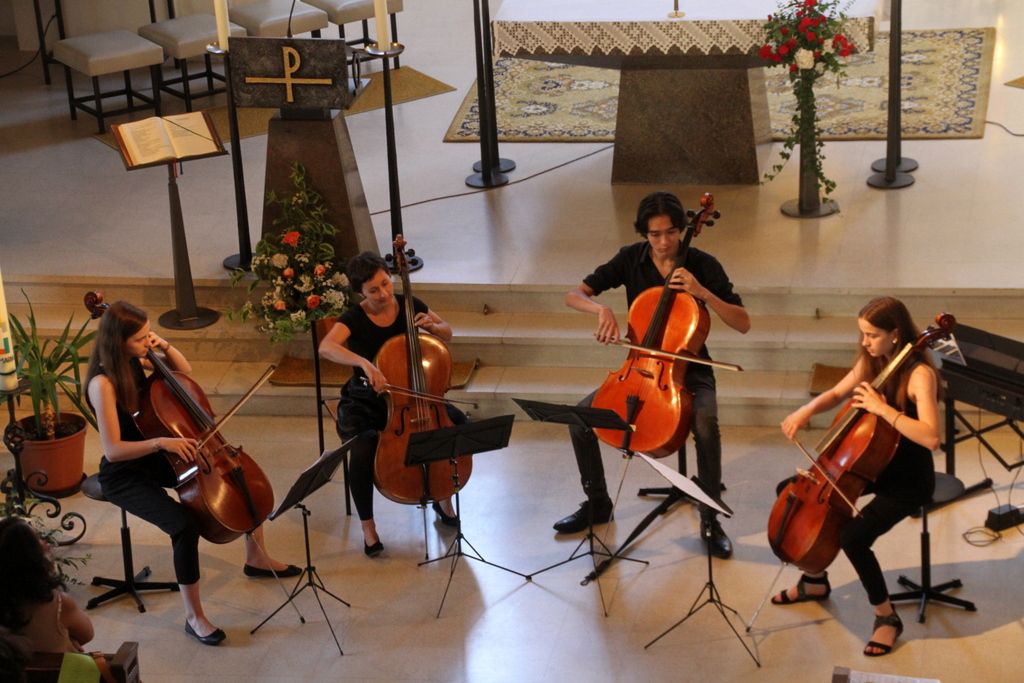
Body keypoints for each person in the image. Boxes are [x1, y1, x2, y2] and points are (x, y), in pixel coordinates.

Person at [86, 301, 300, 647]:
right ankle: (194, 617)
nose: (147, 342)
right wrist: (162, 442)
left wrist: (164, 346)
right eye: (141, 338)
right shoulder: (103, 384)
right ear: (117, 341)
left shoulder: (136, 358)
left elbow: (184, 374)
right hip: (125, 473)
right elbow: (113, 450)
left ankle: (256, 557)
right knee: (183, 525)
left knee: (237, 477)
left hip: (159, 455)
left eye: (149, 335)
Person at [556, 191, 750, 559]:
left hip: (691, 368)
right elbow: (574, 295)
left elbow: (743, 323)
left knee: (706, 424)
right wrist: (601, 310)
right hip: (640, 366)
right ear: (644, 234)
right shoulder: (631, 258)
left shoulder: (703, 264)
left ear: (682, 229)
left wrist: (702, 292)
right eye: (655, 234)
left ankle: (710, 518)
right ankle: (597, 502)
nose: (663, 243)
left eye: (671, 233)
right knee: (580, 420)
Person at [773, 296, 940, 657]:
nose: (865, 342)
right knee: (792, 491)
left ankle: (886, 617)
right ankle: (815, 580)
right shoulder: (874, 361)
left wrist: (883, 409)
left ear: (896, 334)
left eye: (872, 335)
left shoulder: (919, 376)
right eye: (862, 333)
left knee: (853, 537)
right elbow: (837, 393)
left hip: (907, 481)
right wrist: (804, 411)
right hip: (869, 466)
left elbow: (931, 437)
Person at [318, 251, 461, 557]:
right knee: (362, 447)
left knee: (456, 425)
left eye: (385, 283)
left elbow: (448, 332)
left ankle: (443, 498)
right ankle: (368, 528)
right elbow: (326, 347)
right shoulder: (354, 318)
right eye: (373, 290)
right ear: (361, 293)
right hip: (368, 400)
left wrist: (435, 328)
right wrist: (364, 363)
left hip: (414, 395)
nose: (383, 293)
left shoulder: (410, 303)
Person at [0, 517, 94, 654]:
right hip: (57, 669)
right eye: (38, 538)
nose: (45, 542)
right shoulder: (58, 604)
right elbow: (87, 634)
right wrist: (67, 638)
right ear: (31, 555)